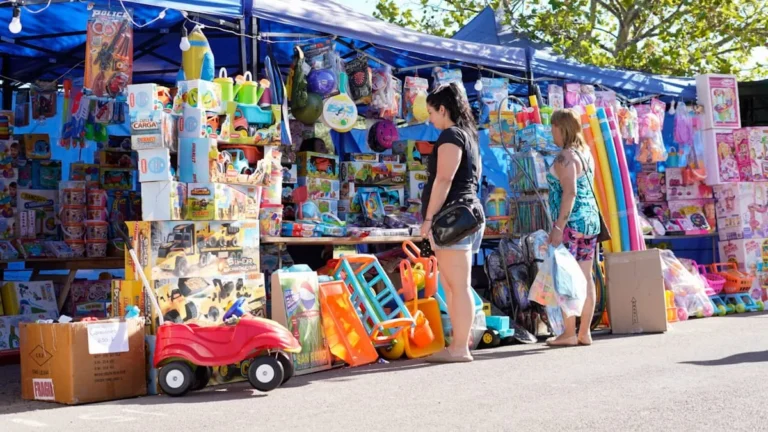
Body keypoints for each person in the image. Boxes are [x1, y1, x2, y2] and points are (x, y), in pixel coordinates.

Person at [420, 83, 484, 363]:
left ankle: (460, 347)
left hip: (453, 219)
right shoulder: (468, 136)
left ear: (443, 109)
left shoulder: (451, 136)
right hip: (463, 217)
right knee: (455, 283)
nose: (429, 118)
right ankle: (459, 343)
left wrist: (428, 218)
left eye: (432, 112)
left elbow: (443, 179)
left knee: (457, 285)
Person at [546, 109, 600, 347]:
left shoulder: (564, 157)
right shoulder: (585, 154)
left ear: (560, 127)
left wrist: (559, 226)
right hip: (590, 221)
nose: (551, 133)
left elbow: (570, 192)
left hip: (571, 224)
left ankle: (569, 332)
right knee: (586, 276)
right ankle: (584, 332)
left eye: (552, 128)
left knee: (567, 277)